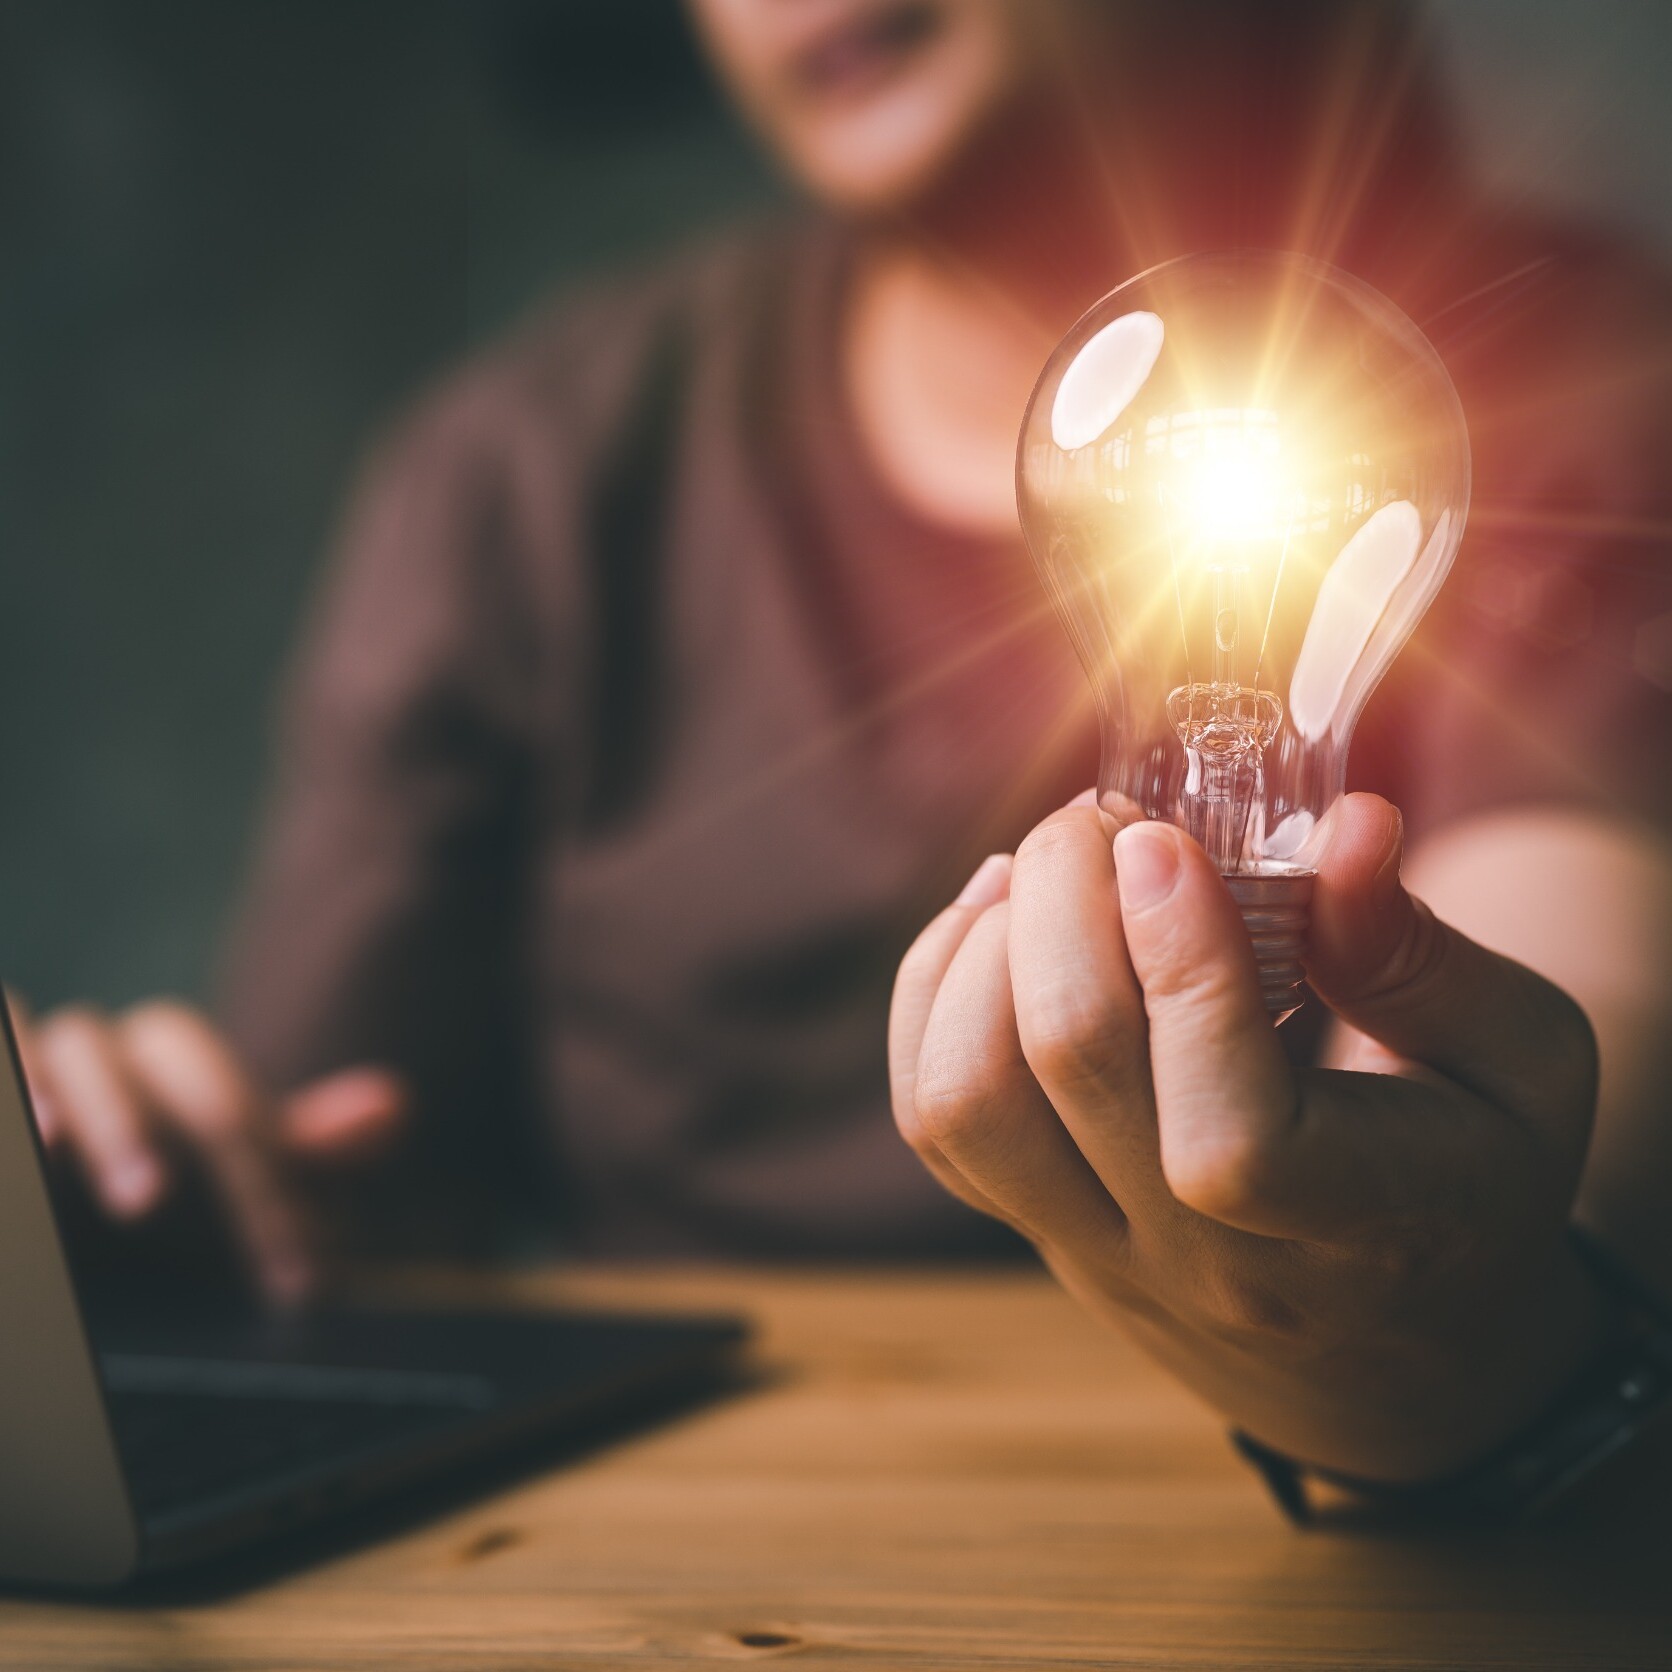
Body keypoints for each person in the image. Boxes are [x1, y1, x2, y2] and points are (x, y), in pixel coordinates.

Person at [16, 0, 1672, 1486]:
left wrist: (1422, 1320)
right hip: (677, 1521)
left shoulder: (1580, 398)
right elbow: (334, 1182)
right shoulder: (531, 470)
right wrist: (121, 1198)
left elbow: (1545, 1097)